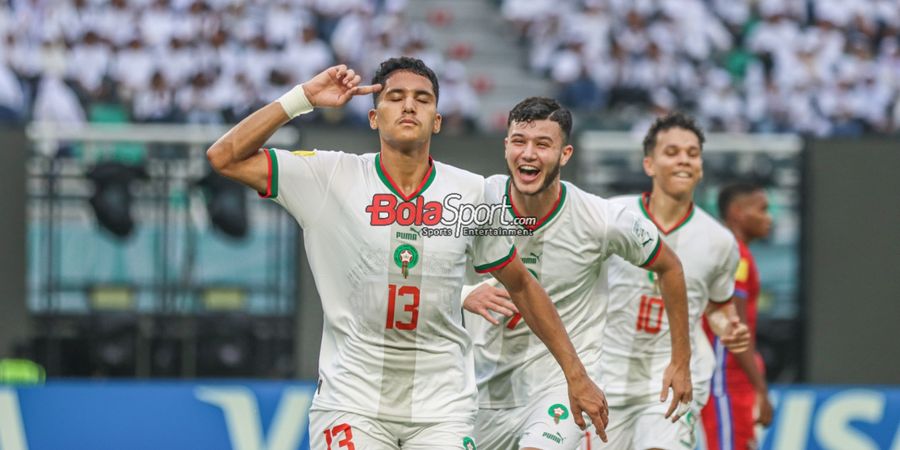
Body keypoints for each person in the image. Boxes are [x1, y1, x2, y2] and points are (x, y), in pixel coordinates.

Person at [206, 57, 607, 450]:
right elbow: (224, 157)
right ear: (373, 117)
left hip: (442, 411)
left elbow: (521, 284)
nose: (409, 104)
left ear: (436, 120)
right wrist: (302, 98)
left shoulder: (470, 192)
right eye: (395, 96)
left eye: (422, 98)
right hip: (351, 405)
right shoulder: (327, 177)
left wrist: (576, 375)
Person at [461, 97, 692, 450]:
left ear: (565, 154)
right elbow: (427, 269)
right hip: (481, 388)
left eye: (543, 144)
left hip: (560, 385)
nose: (528, 154)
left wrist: (681, 359)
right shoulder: (476, 202)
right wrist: (465, 293)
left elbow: (670, 266)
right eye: (520, 141)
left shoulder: (602, 219)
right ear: (506, 146)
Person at [586, 112, 753, 450]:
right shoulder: (611, 216)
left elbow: (718, 308)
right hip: (603, 378)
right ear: (649, 164)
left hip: (672, 380)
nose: (684, 160)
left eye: (692, 154)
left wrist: (728, 327)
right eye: (672, 152)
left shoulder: (719, 241)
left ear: (701, 166)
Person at [701, 182, 774, 450]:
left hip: (732, 380)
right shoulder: (735, 256)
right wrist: (761, 388)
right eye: (762, 209)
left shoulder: (735, 253)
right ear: (737, 212)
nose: (769, 217)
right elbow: (736, 326)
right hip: (726, 380)